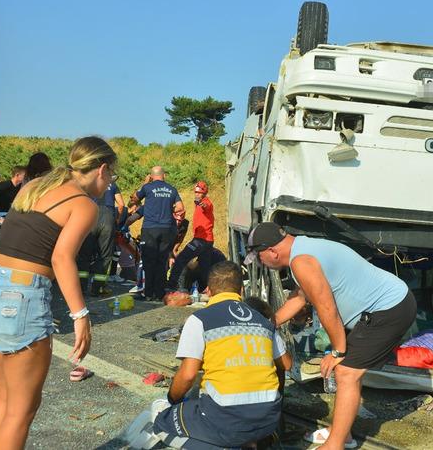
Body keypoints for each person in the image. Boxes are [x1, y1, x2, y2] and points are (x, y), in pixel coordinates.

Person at [0, 136, 117, 450]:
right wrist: (81, 315)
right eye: (112, 176)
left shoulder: (33, 187)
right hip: (19, 298)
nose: (110, 183)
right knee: (22, 410)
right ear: (101, 170)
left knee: (6, 400)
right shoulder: (84, 205)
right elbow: (61, 257)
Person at [244, 222, 416, 449]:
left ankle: (336, 444)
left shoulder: (302, 262)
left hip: (390, 309)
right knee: (348, 371)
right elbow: (299, 297)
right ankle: (341, 434)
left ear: (272, 251)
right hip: (385, 305)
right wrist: (269, 323)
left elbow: (327, 308)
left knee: (346, 373)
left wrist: (337, 350)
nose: (261, 264)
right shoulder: (302, 248)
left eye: (259, 258)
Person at [128, 261, 290, 449]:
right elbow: (286, 364)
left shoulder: (200, 320)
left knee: (162, 423)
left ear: (209, 291)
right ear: (241, 291)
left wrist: (172, 400)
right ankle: (250, 442)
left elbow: (188, 375)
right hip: (268, 420)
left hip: (223, 418)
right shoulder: (263, 321)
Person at [130, 166, 184, 300]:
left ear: (151, 176)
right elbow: (180, 208)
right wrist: (167, 208)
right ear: (164, 176)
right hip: (166, 229)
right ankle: (160, 294)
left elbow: (134, 200)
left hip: (150, 229)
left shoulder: (147, 187)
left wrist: (144, 183)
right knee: (161, 261)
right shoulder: (172, 189)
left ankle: (148, 294)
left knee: (149, 262)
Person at [165, 180, 214, 292]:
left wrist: (202, 203)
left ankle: (172, 285)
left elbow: (206, 206)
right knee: (204, 267)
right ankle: (205, 289)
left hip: (200, 241)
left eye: (199, 192)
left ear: (204, 193)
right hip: (208, 241)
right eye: (195, 192)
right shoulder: (197, 203)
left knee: (181, 259)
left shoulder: (206, 202)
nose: (197, 194)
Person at [77, 180, 123, 296]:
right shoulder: (112, 184)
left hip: (90, 215)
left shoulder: (88, 182)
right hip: (108, 217)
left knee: (84, 256)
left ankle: (81, 288)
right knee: (105, 256)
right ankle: (97, 289)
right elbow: (121, 205)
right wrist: (116, 220)